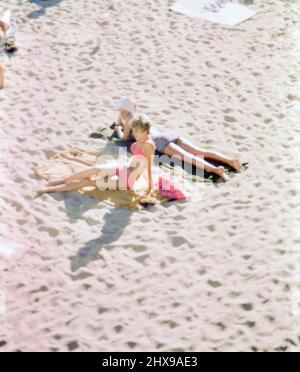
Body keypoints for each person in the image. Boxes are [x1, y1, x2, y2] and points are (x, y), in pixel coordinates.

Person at [115, 97, 244, 182]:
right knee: (200, 151)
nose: (120, 112)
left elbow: (124, 139)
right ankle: (231, 161)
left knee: (188, 157)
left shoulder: (129, 123)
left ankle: (217, 170)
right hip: (167, 135)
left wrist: (118, 130)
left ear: (125, 111)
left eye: (121, 110)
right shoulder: (141, 116)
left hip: (160, 142)